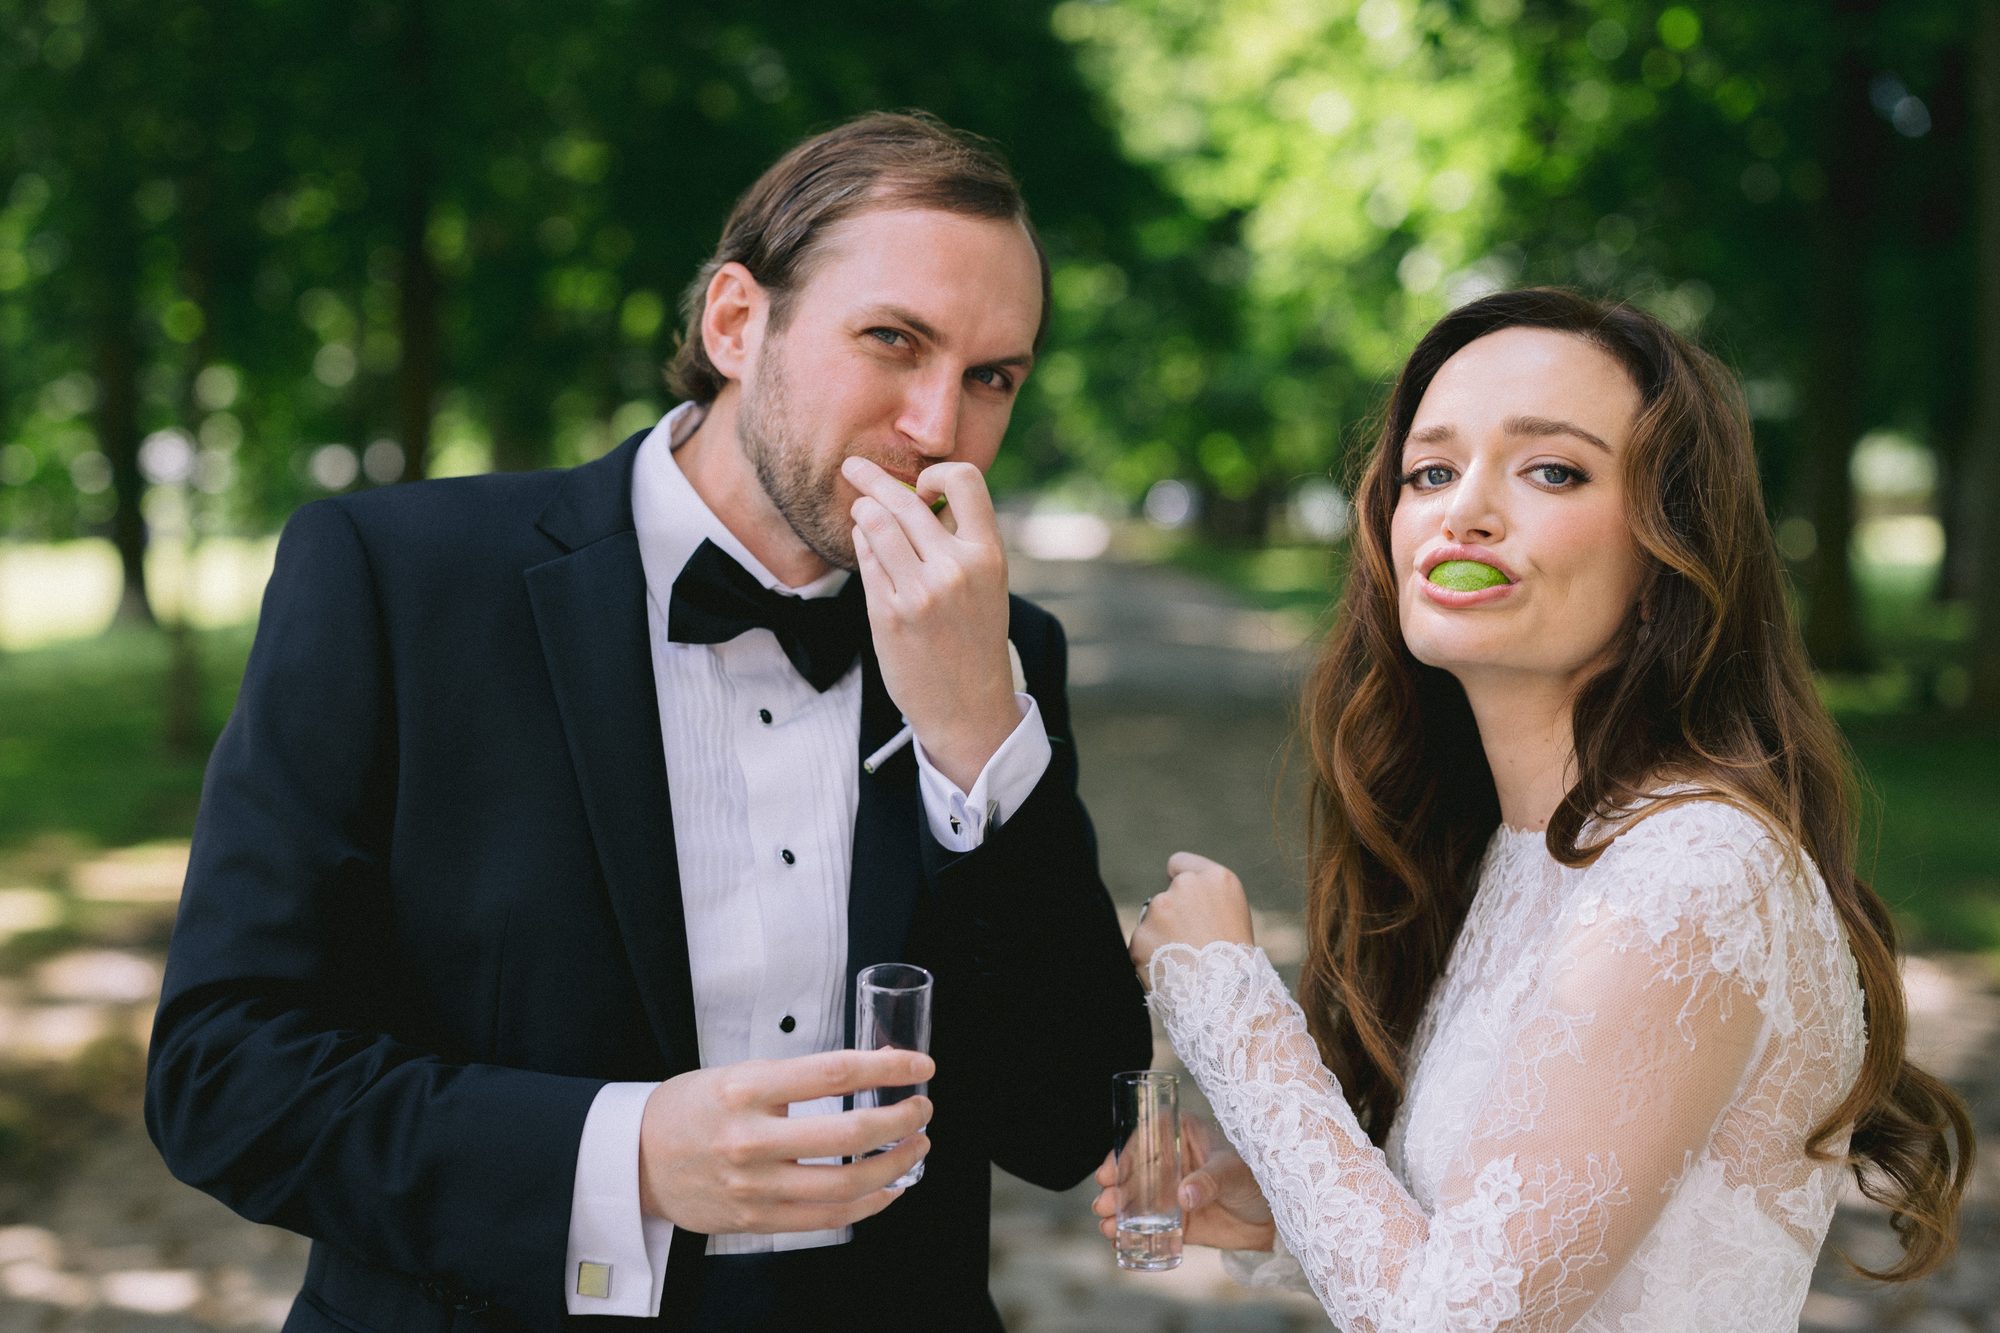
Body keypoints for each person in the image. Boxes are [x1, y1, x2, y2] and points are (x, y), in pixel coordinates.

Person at [146, 111, 1151, 1332]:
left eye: (991, 377)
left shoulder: (998, 648)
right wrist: (619, 1156)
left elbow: (1066, 1120)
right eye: (893, 340)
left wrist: (976, 736)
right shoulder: (396, 581)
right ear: (735, 322)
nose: (938, 429)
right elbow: (222, 1072)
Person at [1095, 288, 1973, 1330]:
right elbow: (1509, 1254)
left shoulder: (1692, 867)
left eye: (1551, 469)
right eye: (1430, 471)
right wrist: (1289, 1216)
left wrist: (1226, 1001)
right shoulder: (1523, 846)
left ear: (1667, 546)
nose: (1463, 510)